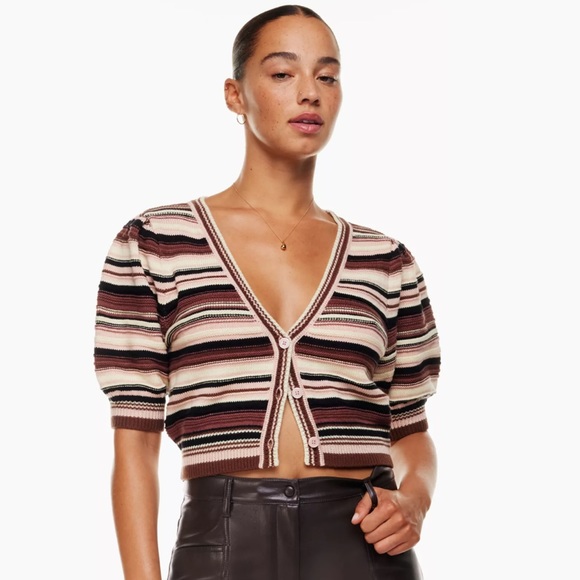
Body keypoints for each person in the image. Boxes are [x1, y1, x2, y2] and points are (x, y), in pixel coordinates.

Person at [94, 5, 442, 580]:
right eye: (283, 73)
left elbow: (411, 430)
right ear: (235, 95)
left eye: (327, 76)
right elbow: (133, 444)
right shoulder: (155, 243)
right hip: (222, 543)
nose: (310, 92)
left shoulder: (386, 260)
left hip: (364, 549)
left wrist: (415, 501)